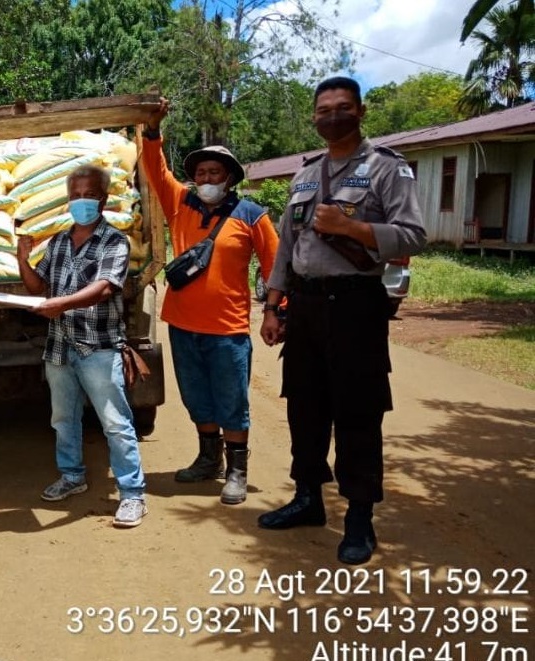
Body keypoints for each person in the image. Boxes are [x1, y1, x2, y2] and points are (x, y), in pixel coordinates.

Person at [258, 76, 427, 564]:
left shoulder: (386, 168)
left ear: (361, 111)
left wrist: (351, 227)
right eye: (324, 109)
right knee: (304, 407)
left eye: (343, 107)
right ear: (314, 117)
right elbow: (287, 249)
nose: (333, 116)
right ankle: (308, 498)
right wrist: (273, 306)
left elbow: (413, 235)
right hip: (305, 307)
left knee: (357, 411)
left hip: (356, 306)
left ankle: (359, 518)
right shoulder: (304, 175)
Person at [141, 99, 279, 505]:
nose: (206, 178)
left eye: (214, 172)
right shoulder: (180, 203)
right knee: (196, 396)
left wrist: (276, 310)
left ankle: (237, 469)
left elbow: (277, 266)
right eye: (200, 172)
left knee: (232, 399)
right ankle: (208, 460)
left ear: (230, 178)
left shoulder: (252, 214)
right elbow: (155, 169)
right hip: (183, 324)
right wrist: (152, 131)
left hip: (228, 328)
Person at [16, 164, 148, 529]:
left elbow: (106, 286)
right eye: (75, 195)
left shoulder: (115, 241)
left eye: (89, 195)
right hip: (59, 347)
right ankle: (72, 476)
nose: (81, 201)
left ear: (103, 200)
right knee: (62, 418)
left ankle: (132, 494)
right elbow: (35, 288)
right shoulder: (58, 242)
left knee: (115, 422)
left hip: (99, 348)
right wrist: (22, 258)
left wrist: (62, 303)